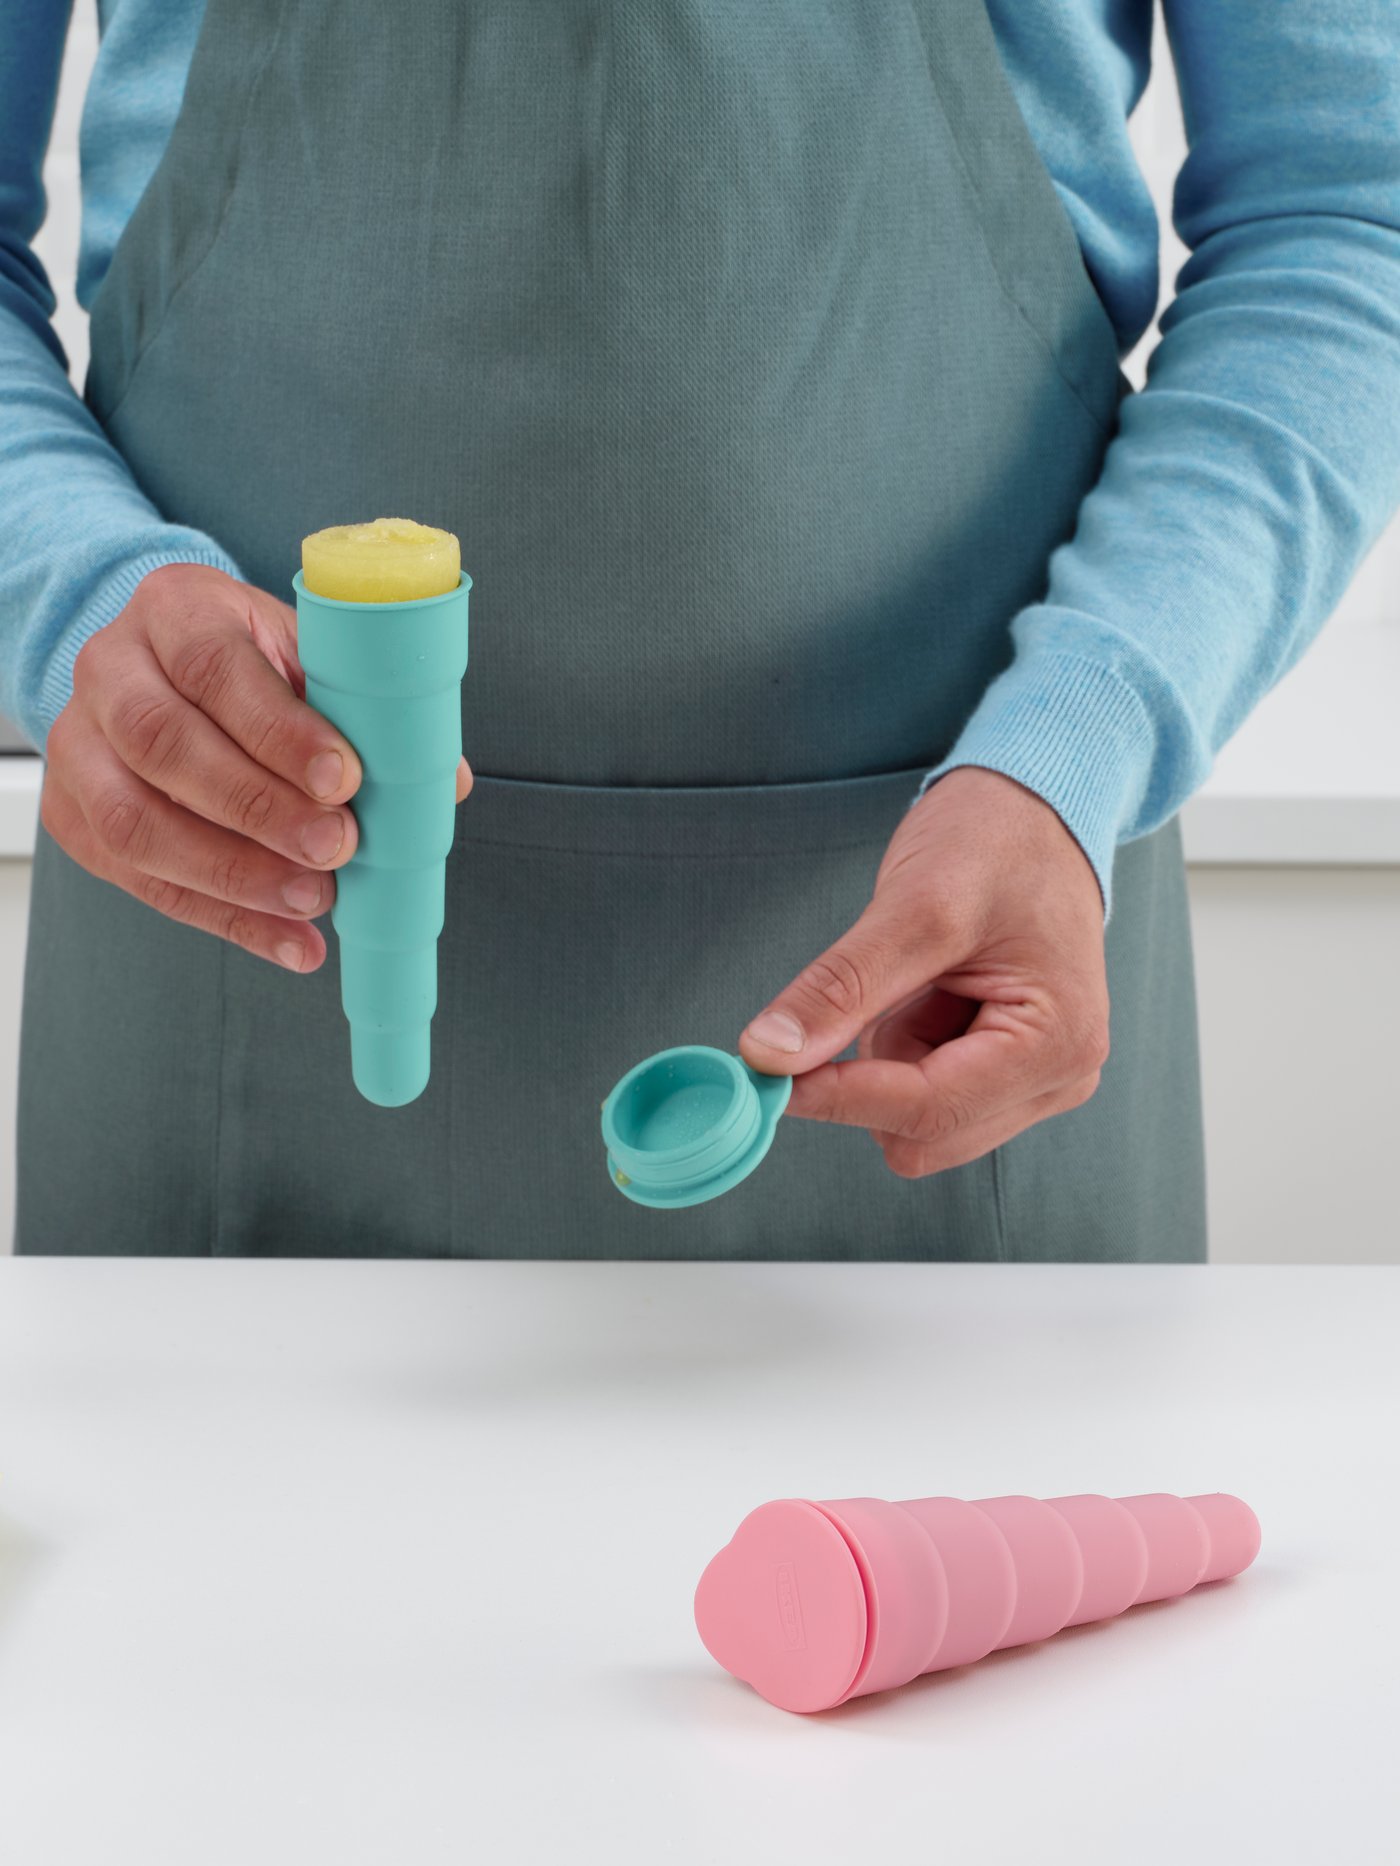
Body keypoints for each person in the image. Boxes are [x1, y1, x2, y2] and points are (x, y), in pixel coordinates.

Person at [4, 1, 1398, 1260]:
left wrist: (1082, 740)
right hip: (219, 978)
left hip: (964, 996)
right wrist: (76, 597)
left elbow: (1343, 207)